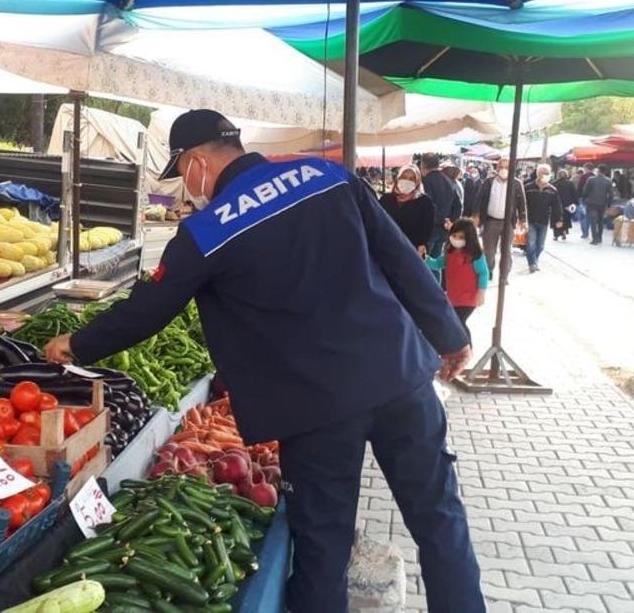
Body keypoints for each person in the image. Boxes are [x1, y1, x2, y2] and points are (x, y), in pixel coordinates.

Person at [44, 109, 483, 613]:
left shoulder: (208, 230)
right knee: (440, 520)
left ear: (197, 163)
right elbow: (401, 259)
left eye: (182, 171)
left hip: (315, 407)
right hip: (400, 377)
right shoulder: (329, 178)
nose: (187, 187)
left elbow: (147, 311)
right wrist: (451, 336)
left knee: (323, 547)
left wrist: (76, 346)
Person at [425, 219, 489, 343]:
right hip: (453, 298)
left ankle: (465, 348)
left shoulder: (475, 255)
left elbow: (483, 273)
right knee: (455, 322)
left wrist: (481, 292)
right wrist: (424, 258)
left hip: (468, 299)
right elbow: (437, 263)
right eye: (454, 236)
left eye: (461, 237)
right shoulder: (450, 253)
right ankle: (459, 347)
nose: (456, 239)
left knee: (459, 322)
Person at [471, 158, 527, 286]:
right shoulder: (488, 182)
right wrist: (476, 215)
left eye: (506, 167)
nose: (503, 170)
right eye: (501, 167)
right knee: (489, 251)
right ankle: (488, 271)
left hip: (508, 223)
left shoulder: (517, 184)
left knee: (506, 251)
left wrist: (523, 220)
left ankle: (504, 275)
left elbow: (522, 203)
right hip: (491, 221)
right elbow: (479, 199)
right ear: (497, 169)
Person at [379, 165, 436, 256]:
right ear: (398, 178)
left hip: (412, 251)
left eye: (412, 179)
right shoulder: (386, 199)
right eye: (404, 177)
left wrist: (422, 246)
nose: (407, 181)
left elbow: (428, 227)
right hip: (386, 249)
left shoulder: (424, 202)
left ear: (417, 182)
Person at [420, 153, 462, 259]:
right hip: (444, 230)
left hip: (429, 229)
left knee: (425, 262)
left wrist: (440, 220)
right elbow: (458, 205)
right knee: (436, 261)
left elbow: (428, 205)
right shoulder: (449, 181)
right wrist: (451, 221)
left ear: (423, 165)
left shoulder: (425, 182)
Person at [523, 164, 564, 273]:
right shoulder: (528, 188)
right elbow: (522, 203)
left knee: (540, 245)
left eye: (547, 173)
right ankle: (532, 263)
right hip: (530, 220)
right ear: (538, 174)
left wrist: (559, 219)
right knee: (531, 243)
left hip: (544, 220)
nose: (545, 175)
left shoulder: (552, 190)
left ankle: (535, 260)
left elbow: (557, 205)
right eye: (543, 173)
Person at [582, 166, 615, 245]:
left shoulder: (591, 179)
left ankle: (594, 239)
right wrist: (609, 204)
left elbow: (585, 191)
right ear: (604, 171)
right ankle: (600, 237)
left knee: (593, 221)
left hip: (591, 203)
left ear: (598, 171)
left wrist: (584, 199)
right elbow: (611, 194)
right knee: (600, 221)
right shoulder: (608, 181)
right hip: (602, 204)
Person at [553, 168, 579, 240]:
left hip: (557, 204)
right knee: (566, 219)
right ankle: (564, 231)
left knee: (557, 219)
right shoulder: (570, 183)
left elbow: (552, 194)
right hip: (567, 204)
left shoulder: (555, 183)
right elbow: (574, 193)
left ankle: (556, 235)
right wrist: (576, 202)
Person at [576, 165, 595, 240]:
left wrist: (579, 197)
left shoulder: (584, 176)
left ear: (586, 168)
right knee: (589, 216)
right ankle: (587, 230)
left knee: (583, 216)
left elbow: (580, 187)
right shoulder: (594, 176)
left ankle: (585, 232)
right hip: (592, 199)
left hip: (584, 199)